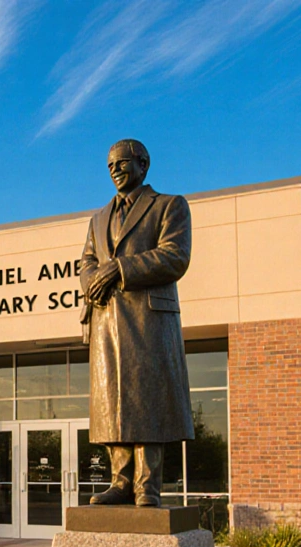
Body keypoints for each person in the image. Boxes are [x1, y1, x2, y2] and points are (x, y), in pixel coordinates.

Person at [79, 138, 195, 507]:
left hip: (147, 318)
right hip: (107, 318)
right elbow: (86, 263)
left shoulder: (168, 206)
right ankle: (121, 482)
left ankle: (148, 486)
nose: (115, 170)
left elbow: (175, 256)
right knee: (114, 402)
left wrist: (119, 268)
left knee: (146, 400)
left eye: (123, 163)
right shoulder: (98, 218)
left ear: (144, 164)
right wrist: (93, 281)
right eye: (110, 165)